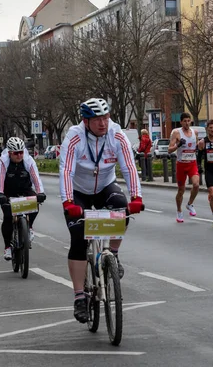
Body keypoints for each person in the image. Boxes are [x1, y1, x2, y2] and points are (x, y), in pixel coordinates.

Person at [59, 98, 143, 324]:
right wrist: (68, 203)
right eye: (97, 119)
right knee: (78, 237)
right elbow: (66, 171)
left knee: (121, 209)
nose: (103, 123)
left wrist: (136, 197)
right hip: (78, 191)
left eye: (105, 118)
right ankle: (79, 296)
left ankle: (113, 255)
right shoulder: (74, 137)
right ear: (86, 121)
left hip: (105, 185)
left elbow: (128, 166)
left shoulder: (116, 134)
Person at [0, 137, 46, 260]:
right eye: (15, 153)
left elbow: (36, 177)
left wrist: (40, 192)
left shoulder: (28, 160)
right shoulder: (3, 161)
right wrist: (0, 194)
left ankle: (29, 227)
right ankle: (7, 247)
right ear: (9, 153)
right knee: (7, 217)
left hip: (24, 187)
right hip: (7, 190)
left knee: (35, 203)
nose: (19, 156)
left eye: (21, 152)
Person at [168, 112, 199, 222]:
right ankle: (179, 211)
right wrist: (178, 145)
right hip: (181, 164)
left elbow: (196, 147)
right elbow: (169, 149)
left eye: (188, 120)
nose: (187, 123)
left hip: (192, 163)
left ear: (191, 121)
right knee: (181, 190)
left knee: (196, 184)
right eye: (184, 121)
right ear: (181, 122)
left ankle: (190, 204)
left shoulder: (195, 132)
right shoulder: (176, 133)